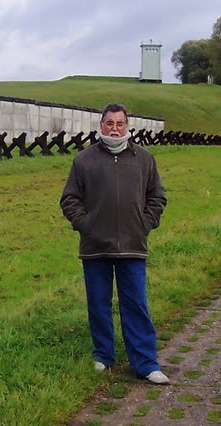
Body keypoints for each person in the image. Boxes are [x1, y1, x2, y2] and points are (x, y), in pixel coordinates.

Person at [59, 102, 169, 384]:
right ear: (101, 126)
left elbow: (157, 197)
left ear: (127, 126)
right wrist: (86, 225)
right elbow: (69, 199)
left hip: (133, 245)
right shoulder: (84, 161)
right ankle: (103, 357)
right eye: (110, 123)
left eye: (120, 123)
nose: (115, 129)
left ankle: (145, 363)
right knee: (98, 304)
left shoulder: (144, 159)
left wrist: (145, 224)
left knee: (136, 305)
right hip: (95, 247)